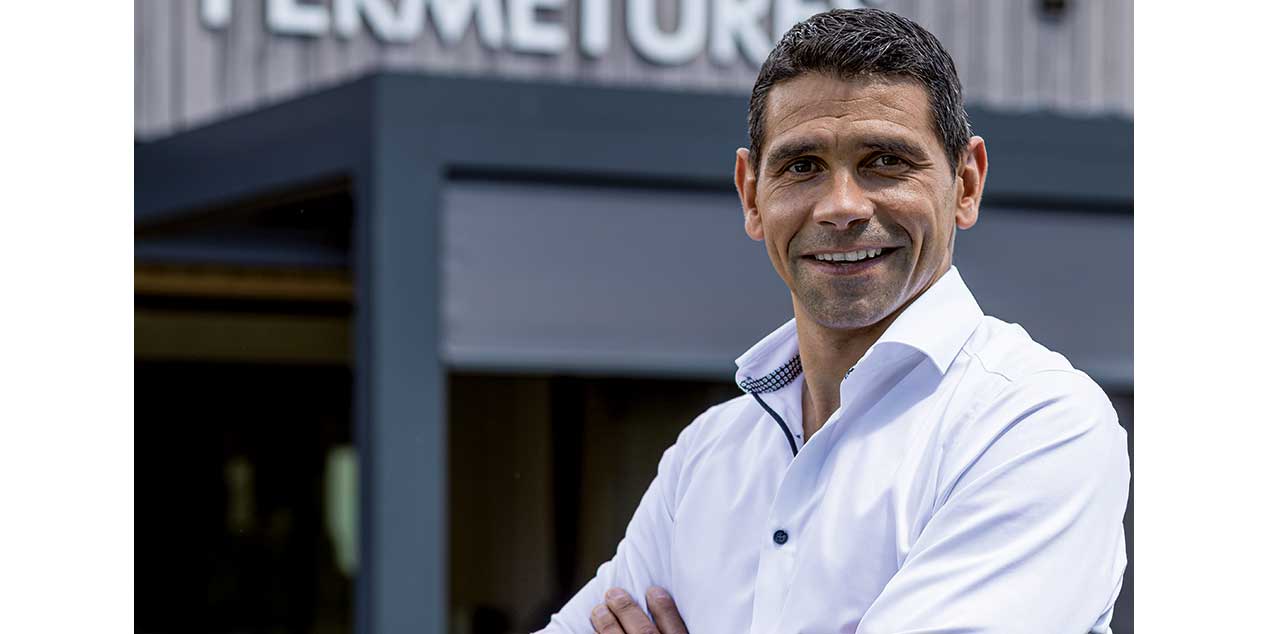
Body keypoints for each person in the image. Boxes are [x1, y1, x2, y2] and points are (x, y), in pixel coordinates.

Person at [534, 8, 1129, 634]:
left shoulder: (1034, 423)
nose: (841, 207)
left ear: (966, 184)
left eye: (886, 161)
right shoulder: (706, 455)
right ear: (751, 195)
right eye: (802, 166)